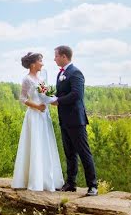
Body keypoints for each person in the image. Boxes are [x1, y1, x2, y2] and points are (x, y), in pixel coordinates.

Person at [11, 51, 64, 191]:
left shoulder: (41, 79)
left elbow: (47, 95)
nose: (42, 63)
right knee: (34, 144)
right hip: (34, 116)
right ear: (33, 64)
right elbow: (22, 98)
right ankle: (35, 181)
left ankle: (46, 179)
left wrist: (57, 101)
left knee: (44, 144)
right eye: (40, 61)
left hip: (43, 115)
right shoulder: (27, 79)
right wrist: (37, 106)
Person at [50, 45, 98, 196]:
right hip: (64, 119)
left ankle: (93, 185)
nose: (54, 59)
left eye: (56, 56)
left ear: (64, 56)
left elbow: (77, 95)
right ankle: (71, 183)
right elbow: (61, 93)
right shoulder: (60, 74)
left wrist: (58, 100)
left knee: (84, 152)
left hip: (76, 120)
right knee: (69, 153)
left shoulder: (75, 73)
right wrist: (49, 96)